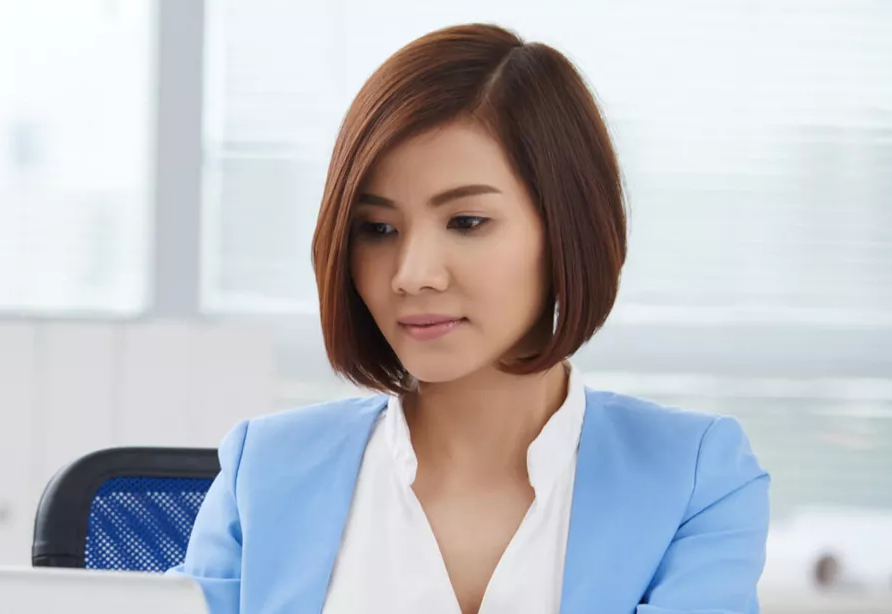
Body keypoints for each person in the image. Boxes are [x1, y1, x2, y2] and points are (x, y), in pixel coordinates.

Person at [173, 23, 769, 614]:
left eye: (466, 222)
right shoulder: (265, 470)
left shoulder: (692, 477)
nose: (412, 274)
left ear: (565, 227)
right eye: (378, 229)